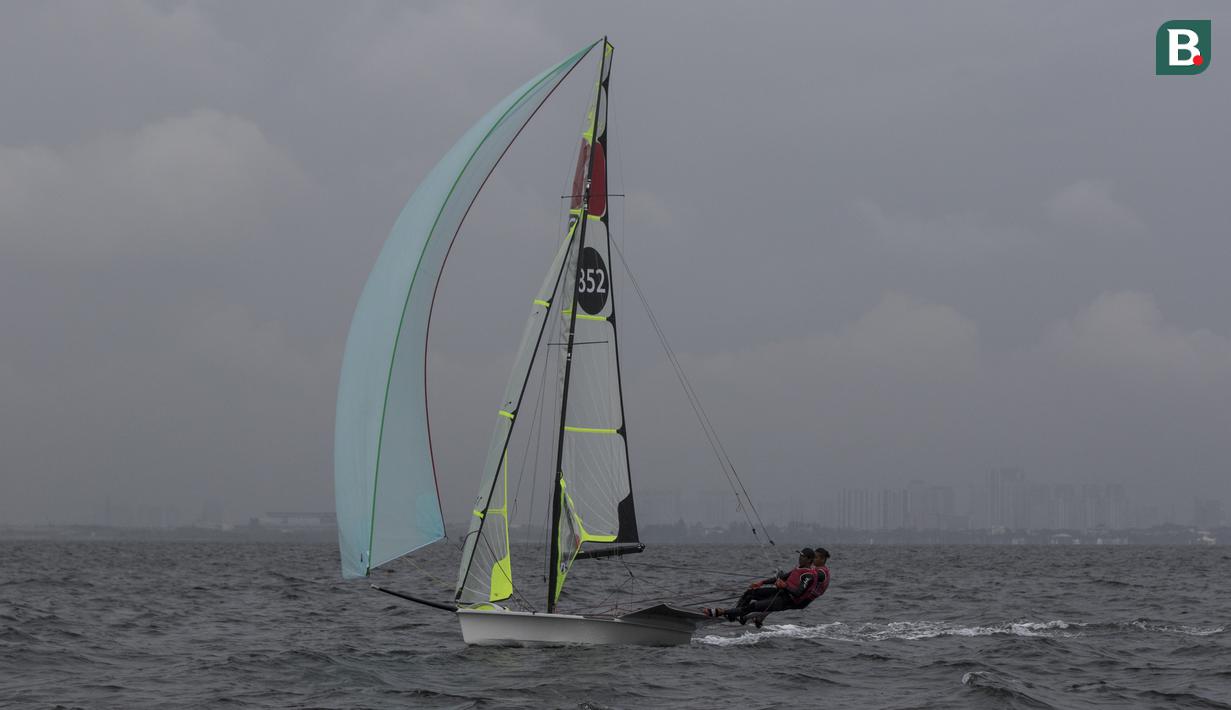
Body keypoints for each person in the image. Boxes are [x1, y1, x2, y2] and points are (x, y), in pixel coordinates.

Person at [704, 547, 830, 627]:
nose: (799, 557)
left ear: (809, 560)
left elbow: (798, 593)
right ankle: (736, 614)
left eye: (802, 556)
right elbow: (781, 578)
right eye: (799, 555)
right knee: (750, 592)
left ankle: (720, 612)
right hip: (780, 593)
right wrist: (762, 582)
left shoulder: (811, 575)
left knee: (753, 607)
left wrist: (785, 586)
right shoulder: (799, 568)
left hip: (788, 599)